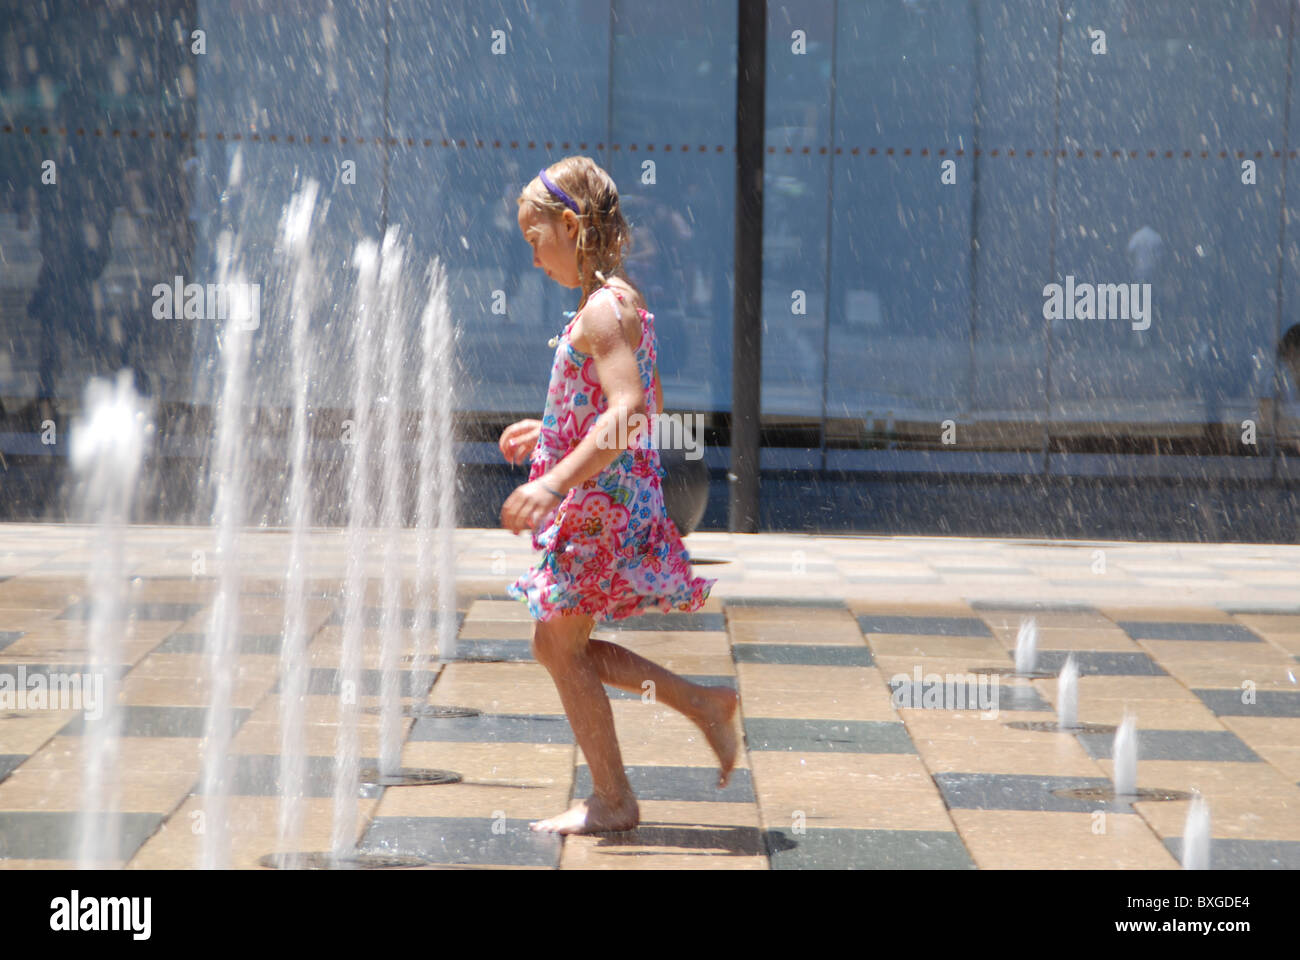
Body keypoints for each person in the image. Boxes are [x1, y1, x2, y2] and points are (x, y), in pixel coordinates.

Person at [499, 156, 738, 835]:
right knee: (558, 646)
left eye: (535, 239)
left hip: (596, 510)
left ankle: (613, 797)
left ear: (570, 226)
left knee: (559, 647)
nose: (533, 258)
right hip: (608, 503)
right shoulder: (620, 299)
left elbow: (630, 410)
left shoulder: (603, 310)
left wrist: (550, 479)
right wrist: (548, 428)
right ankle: (699, 704)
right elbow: (629, 400)